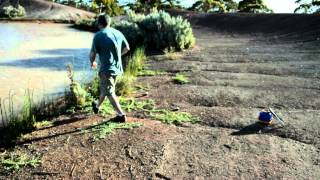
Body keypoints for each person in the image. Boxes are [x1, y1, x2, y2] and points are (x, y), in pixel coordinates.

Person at [90, 14, 130, 122]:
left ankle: (121, 115)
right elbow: (127, 48)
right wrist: (118, 56)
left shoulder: (98, 35)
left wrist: (92, 62)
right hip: (117, 68)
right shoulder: (118, 33)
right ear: (109, 22)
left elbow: (93, 53)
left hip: (107, 69)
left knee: (110, 91)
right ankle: (97, 106)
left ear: (99, 24)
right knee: (106, 89)